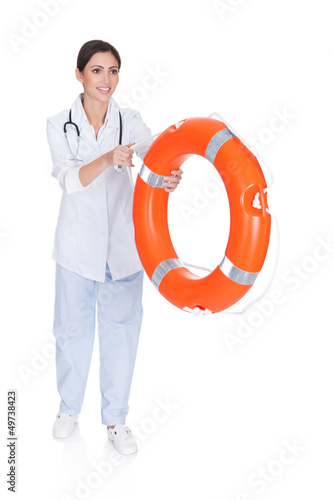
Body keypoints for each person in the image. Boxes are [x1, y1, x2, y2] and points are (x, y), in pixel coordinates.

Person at [46, 40, 183, 455]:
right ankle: (69, 409)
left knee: (121, 335)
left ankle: (116, 421)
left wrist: (168, 173)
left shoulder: (129, 120)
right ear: (79, 75)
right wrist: (107, 159)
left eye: (113, 71)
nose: (107, 80)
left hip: (122, 248)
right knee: (72, 332)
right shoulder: (59, 124)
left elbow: (154, 150)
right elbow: (69, 180)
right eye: (97, 70)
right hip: (76, 247)